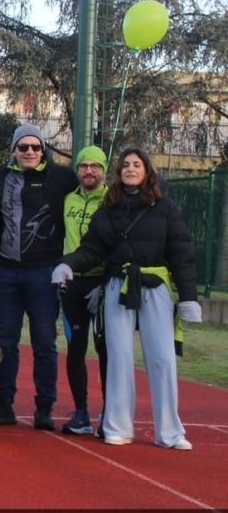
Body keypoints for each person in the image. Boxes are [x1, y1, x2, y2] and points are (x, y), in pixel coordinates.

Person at [53, 147, 201, 450]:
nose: (131, 169)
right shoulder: (109, 208)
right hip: (117, 286)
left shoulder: (165, 207)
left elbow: (181, 253)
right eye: (126, 165)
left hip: (155, 286)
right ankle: (118, 426)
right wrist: (68, 264)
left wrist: (188, 297)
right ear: (119, 172)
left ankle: (170, 432)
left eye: (137, 164)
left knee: (162, 359)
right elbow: (92, 248)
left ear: (147, 171)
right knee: (118, 356)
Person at [0, 124, 76, 429]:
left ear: (43, 150)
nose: (30, 152)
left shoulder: (61, 177)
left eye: (36, 147)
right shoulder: (0, 178)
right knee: (5, 341)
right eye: (23, 147)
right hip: (6, 272)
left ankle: (45, 407)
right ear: (14, 150)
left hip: (43, 272)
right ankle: (4, 403)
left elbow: (91, 188)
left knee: (45, 341)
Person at [59, 145, 109, 436]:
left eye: (95, 166)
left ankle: (110, 412)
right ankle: (81, 412)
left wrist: (106, 282)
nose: (89, 171)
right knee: (75, 349)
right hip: (72, 283)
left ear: (104, 170)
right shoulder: (68, 199)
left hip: (102, 283)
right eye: (83, 166)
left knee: (105, 350)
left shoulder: (113, 200)